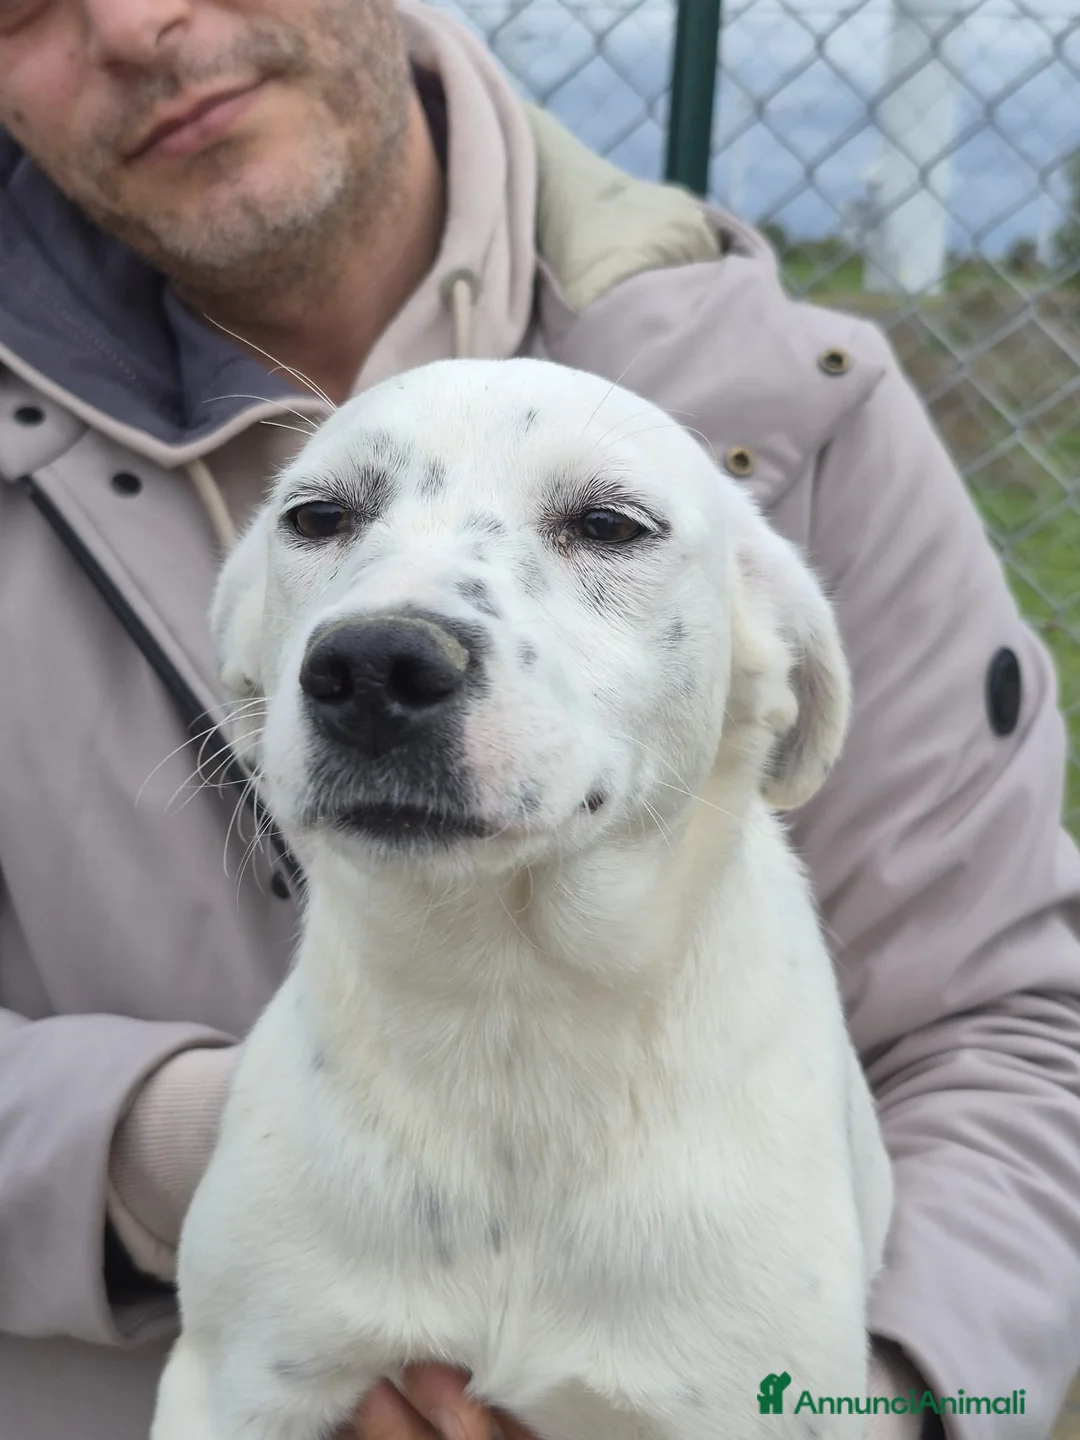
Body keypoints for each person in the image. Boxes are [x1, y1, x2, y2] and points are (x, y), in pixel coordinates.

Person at [0, 1, 1077, 1438]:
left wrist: (868, 1409)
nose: (136, 20)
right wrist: (179, 1147)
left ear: (777, 681)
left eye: (606, 527)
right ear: (246, 662)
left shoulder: (809, 410)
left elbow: (1013, 1029)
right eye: (320, 522)